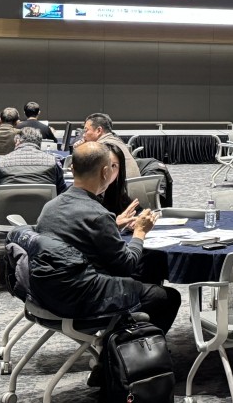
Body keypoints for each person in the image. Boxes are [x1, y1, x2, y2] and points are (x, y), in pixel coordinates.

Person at [36, 142, 181, 333]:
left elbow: (78, 235)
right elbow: (127, 265)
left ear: (72, 169)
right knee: (166, 297)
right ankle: (128, 344)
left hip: (47, 292)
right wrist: (140, 232)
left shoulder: (50, 206)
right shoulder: (97, 213)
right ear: (105, 172)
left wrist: (114, 225)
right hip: (82, 300)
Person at [0, 126, 67, 194]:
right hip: (45, 205)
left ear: (17, 141)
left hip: (8, 205)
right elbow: (61, 190)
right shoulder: (52, 161)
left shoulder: (1, 162)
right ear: (39, 143)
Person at [81, 112, 141, 179]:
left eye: (86, 130)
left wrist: (79, 149)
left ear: (99, 130)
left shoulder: (102, 146)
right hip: (135, 184)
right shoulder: (117, 141)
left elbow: (83, 172)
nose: (83, 135)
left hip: (123, 185)